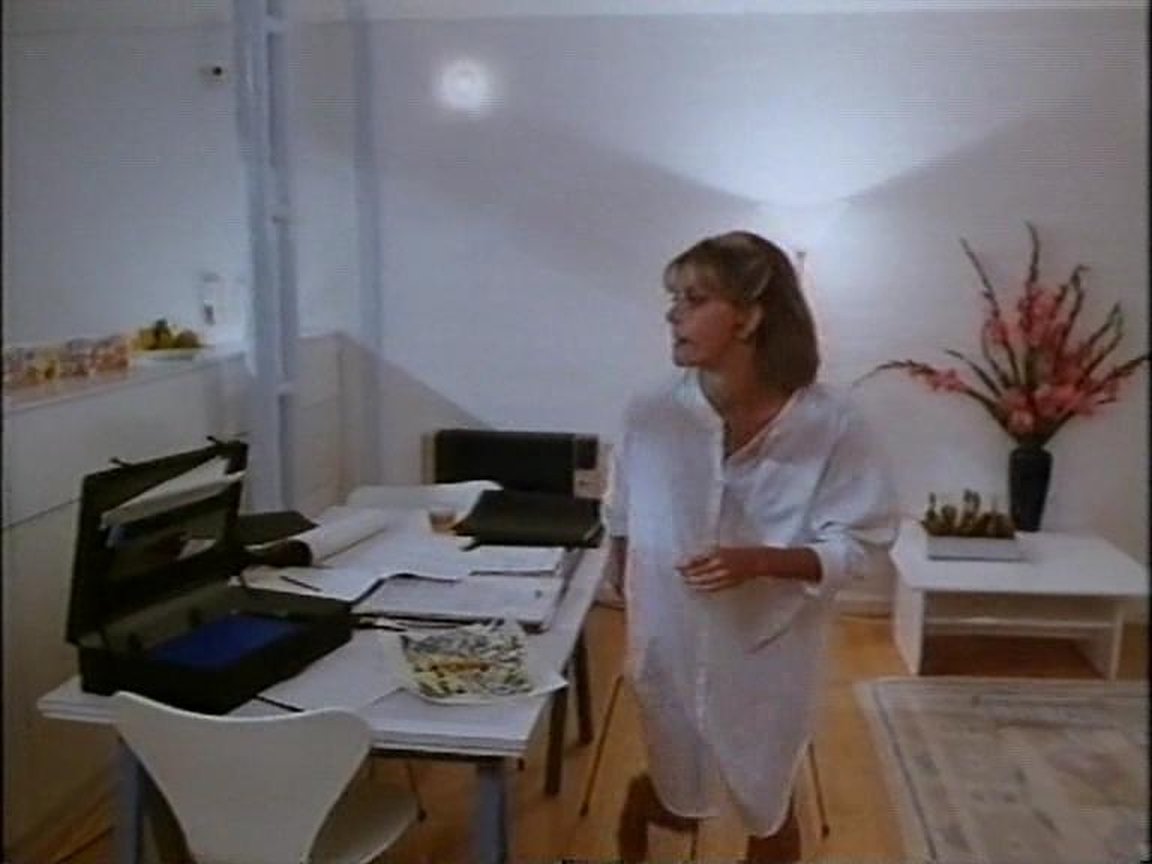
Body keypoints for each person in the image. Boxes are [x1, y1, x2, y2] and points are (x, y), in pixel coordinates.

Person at [604, 230, 898, 863]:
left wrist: (760, 560)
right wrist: (631, 595)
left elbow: (861, 544)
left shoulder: (833, 423)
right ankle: (648, 802)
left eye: (694, 299)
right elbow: (622, 512)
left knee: (767, 801)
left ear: (750, 317)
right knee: (678, 785)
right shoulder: (651, 412)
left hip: (772, 644)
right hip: (669, 639)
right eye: (674, 298)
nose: (672, 314)